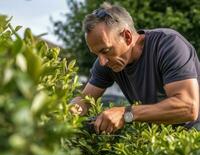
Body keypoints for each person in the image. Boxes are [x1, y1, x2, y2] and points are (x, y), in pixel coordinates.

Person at [70, 2, 200, 133]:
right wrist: (65, 114)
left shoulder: (169, 45)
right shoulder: (107, 61)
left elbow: (188, 107)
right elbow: (84, 100)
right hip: (159, 141)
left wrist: (126, 113)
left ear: (127, 36)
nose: (102, 61)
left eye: (105, 50)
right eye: (97, 54)